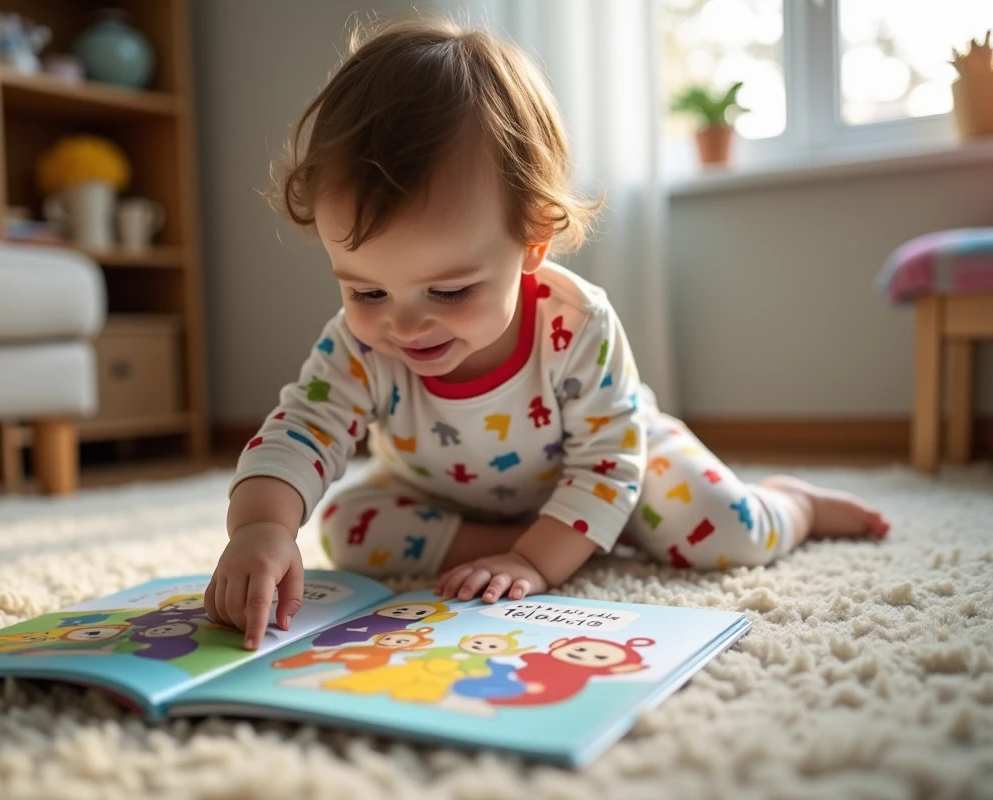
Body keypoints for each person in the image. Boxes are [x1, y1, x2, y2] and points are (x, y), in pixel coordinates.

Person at [205, 15, 890, 649]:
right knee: (347, 532)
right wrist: (263, 528)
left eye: (448, 290)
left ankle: (794, 505)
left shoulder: (576, 323)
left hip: (616, 465)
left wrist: (533, 563)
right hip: (447, 490)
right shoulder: (360, 343)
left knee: (723, 532)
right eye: (365, 289)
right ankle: (566, 537)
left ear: (533, 238)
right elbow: (303, 427)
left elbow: (607, 464)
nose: (403, 322)